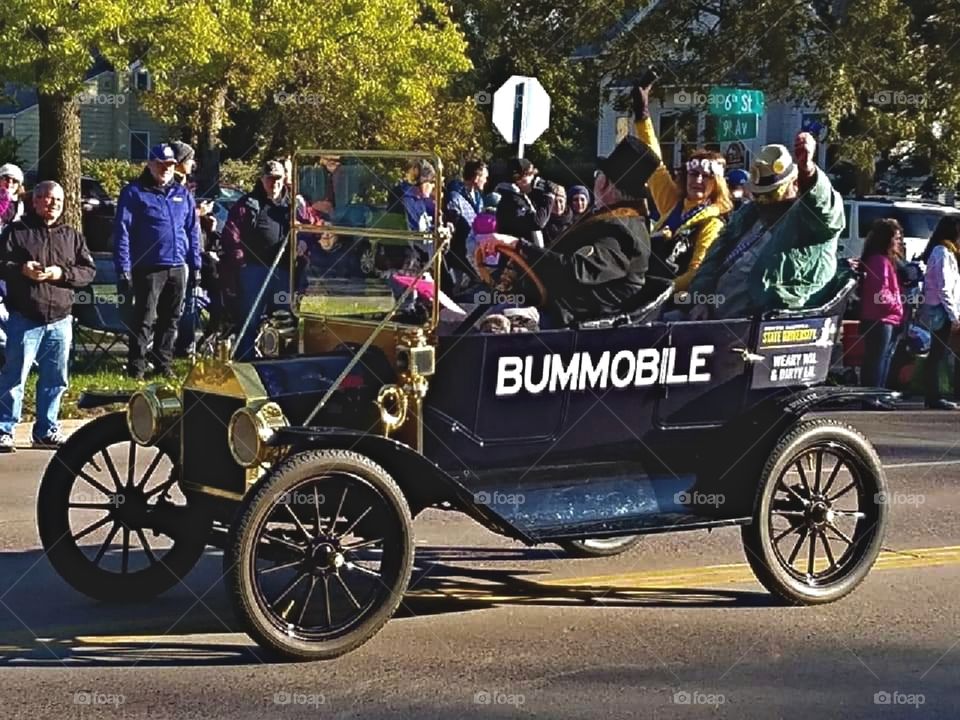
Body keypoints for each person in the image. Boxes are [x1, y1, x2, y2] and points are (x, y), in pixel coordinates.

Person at [478, 136, 659, 327]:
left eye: (598, 175)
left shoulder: (621, 229)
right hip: (556, 307)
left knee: (497, 323)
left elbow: (576, 270)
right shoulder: (617, 220)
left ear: (604, 183)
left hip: (570, 320)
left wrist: (518, 245)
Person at [688, 133, 844, 320]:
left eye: (771, 194)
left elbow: (825, 207)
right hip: (710, 319)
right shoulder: (748, 216)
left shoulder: (809, 221)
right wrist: (701, 299)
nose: (763, 201)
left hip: (762, 328)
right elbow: (714, 257)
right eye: (758, 194)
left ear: (794, 184)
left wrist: (808, 170)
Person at [0, 181, 96, 451]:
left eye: (58, 200)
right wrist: (22, 269)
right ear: (35, 201)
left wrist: (60, 274)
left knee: (55, 379)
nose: (53, 203)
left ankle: (46, 429)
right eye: (47, 198)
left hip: (60, 319)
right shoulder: (16, 232)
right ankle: (4, 429)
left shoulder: (72, 235)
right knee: (14, 376)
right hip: (25, 316)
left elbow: (88, 272)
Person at [631, 80, 733, 291]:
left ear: (717, 185)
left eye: (706, 177)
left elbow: (696, 273)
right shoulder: (673, 204)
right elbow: (654, 165)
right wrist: (643, 116)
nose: (697, 181)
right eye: (694, 174)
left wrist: (654, 290)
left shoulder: (712, 224)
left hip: (671, 303)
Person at [115, 143, 201, 379]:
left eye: (170, 165)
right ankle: (137, 368)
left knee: (171, 319)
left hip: (177, 266)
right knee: (144, 319)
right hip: (148, 267)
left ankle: (163, 363)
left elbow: (192, 230)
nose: (165, 169)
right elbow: (122, 231)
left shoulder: (183, 194)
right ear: (150, 164)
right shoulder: (134, 192)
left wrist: (196, 264)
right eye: (160, 164)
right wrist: (123, 267)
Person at [221, 159, 291, 361]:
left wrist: (303, 246)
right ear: (262, 179)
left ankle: (283, 360)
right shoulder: (247, 204)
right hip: (253, 272)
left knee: (283, 319)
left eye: (278, 178)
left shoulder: (292, 206)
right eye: (270, 179)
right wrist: (241, 261)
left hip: (284, 272)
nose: (274, 183)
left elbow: (309, 228)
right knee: (249, 320)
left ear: (284, 179)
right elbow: (230, 235)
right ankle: (246, 361)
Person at [858, 219, 904, 409]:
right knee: (876, 359)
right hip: (880, 317)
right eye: (896, 238)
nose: (898, 242)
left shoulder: (882, 260)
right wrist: (897, 306)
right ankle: (872, 397)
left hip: (883, 316)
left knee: (882, 358)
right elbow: (881, 293)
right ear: (887, 239)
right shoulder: (879, 261)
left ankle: (878, 395)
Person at [918, 216, 960, 410]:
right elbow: (944, 287)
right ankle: (933, 396)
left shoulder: (947, 251)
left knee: (938, 354)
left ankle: (934, 395)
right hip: (940, 310)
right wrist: (954, 315)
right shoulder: (942, 251)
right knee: (937, 354)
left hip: (943, 308)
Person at [444, 160, 488, 284]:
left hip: (472, 247)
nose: (486, 180)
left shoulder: (478, 197)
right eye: (484, 177)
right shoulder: (455, 196)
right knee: (475, 280)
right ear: (476, 177)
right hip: (458, 249)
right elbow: (452, 218)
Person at [494, 158, 555, 247]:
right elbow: (537, 222)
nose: (534, 179)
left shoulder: (520, 197)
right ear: (520, 179)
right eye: (531, 175)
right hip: (515, 256)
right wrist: (549, 197)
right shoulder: (511, 199)